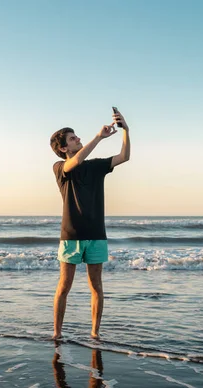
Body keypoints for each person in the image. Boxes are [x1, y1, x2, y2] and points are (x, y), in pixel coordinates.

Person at [49, 109, 130, 340]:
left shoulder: (95, 166)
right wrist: (99, 137)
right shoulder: (59, 167)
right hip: (71, 236)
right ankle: (56, 334)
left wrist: (126, 130)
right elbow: (75, 162)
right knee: (64, 287)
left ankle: (95, 334)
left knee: (97, 287)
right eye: (72, 138)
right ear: (64, 148)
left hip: (96, 234)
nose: (78, 139)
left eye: (77, 137)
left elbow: (124, 156)